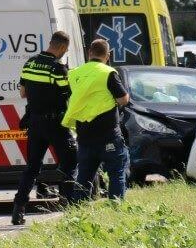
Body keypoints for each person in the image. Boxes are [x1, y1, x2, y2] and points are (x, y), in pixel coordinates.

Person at [11, 31, 78, 226]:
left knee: (32, 168)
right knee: (70, 162)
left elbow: (23, 93)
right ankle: (68, 207)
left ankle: (18, 210)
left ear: (50, 43)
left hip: (35, 123)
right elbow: (68, 95)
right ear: (63, 48)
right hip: (56, 123)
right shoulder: (57, 68)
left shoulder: (29, 63)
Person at [62, 39, 130, 201]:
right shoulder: (108, 72)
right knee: (116, 173)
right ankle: (116, 208)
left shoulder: (74, 73)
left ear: (89, 53)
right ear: (108, 55)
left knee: (84, 176)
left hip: (84, 135)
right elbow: (123, 99)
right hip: (108, 134)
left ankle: (79, 211)